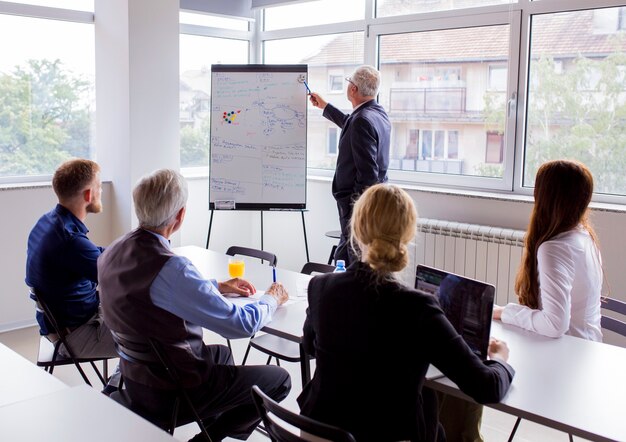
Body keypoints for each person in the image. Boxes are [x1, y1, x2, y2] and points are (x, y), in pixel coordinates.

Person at [297, 183, 514, 442]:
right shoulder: (418, 308)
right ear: (408, 236)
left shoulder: (321, 286)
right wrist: (501, 360)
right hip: (382, 435)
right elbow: (486, 387)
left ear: (356, 228)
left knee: (433, 410)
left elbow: (311, 346)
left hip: (315, 431)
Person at [98, 169, 291, 442]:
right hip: (171, 391)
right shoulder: (172, 267)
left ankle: (214, 429)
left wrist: (216, 286)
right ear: (180, 216)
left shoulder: (113, 250)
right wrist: (271, 298)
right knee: (279, 379)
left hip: (135, 380)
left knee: (222, 354)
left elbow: (153, 293)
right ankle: (208, 439)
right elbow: (241, 325)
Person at [493, 159, 603, 341]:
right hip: (588, 346)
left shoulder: (554, 248)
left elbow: (554, 325)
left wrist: (505, 312)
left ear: (542, 197)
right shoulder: (584, 236)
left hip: (567, 350)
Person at [25, 158, 116, 360]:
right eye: (99, 187)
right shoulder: (70, 241)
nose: (101, 192)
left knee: (138, 315)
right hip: (75, 337)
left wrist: (127, 248)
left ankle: (118, 385)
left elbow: (96, 254)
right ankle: (119, 387)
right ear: (88, 194)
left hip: (61, 325)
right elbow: (116, 277)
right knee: (152, 333)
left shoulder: (49, 222)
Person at [309, 64, 390, 265]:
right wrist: (325, 107)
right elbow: (351, 124)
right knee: (350, 256)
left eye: (348, 83)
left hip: (357, 206)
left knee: (349, 259)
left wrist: (354, 209)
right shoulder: (377, 113)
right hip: (371, 203)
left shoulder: (362, 120)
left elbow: (368, 174)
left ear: (353, 89)